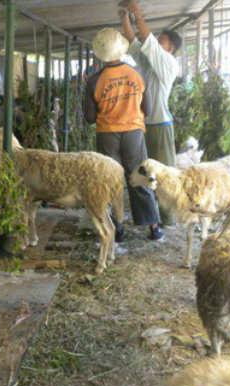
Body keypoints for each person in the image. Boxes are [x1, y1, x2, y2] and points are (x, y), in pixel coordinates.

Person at [83, 28, 164, 241]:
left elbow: (90, 118)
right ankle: (154, 226)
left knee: (110, 180)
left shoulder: (93, 81)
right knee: (140, 175)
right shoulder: (137, 74)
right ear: (120, 49)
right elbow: (147, 106)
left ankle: (117, 227)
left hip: (107, 135)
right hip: (134, 133)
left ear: (100, 54)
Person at [121, 0, 183, 224]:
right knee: (144, 172)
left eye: (162, 40)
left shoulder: (169, 64)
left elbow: (146, 40)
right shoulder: (150, 62)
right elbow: (135, 43)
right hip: (145, 125)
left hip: (161, 126)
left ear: (169, 49)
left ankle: (168, 218)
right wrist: (124, 18)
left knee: (165, 174)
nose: (157, 41)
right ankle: (151, 218)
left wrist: (137, 12)